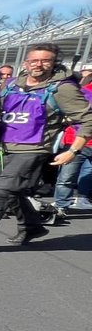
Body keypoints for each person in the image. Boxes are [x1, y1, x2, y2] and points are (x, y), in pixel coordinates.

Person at [0, 43, 92, 255]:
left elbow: (87, 119)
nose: (38, 65)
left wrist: (73, 150)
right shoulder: (13, 83)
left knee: (0, 191)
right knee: (12, 192)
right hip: (3, 145)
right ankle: (32, 226)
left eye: (45, 60)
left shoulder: (63, 88)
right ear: (26, 63)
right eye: (34, 60)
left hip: (33, 149)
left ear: (54, 63)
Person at [52, 71, 92, 221]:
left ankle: (82, 198)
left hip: (81, 140)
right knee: (67, 176)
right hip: (76, 140)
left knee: (87, 174)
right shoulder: (82, 91)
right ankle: (61, 205)